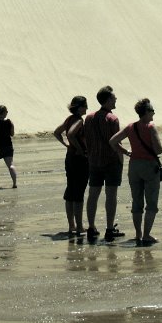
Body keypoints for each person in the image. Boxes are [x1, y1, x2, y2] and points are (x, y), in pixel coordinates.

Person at [110, 98, 162, 246]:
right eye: (152, 110)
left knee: (137, 202)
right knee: (151, 202)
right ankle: (146, 234)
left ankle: (138, 234)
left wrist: (127, 152)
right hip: (149, 166)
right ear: (146, 112)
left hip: (134, 166)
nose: (153, 113)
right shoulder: (150, 127)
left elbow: (113, 141)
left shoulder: (131, 127)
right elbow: (159, 150)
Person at [82, 85, 125, 242]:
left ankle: (91, 227)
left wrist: (91, 152)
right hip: (111, 161)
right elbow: (115, 142)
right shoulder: (112, 119)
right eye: (113, 98)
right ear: (107, 100)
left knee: (93, 194)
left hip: (94, 161)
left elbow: (86, 138)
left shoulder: (89, 117)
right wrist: (123, 157)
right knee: (111, 195)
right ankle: (109, 228)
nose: (115, 100)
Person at [54, 96, 88, 238]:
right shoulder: (79, 120)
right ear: (80, 107)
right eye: (85, 106)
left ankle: (71, 226)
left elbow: (57, 132)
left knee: (70, 190)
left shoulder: (69, 119)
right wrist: (79, 149)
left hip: (69, 157)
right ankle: (79, 227)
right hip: (79, 159)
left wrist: (67, 145)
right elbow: (71, 134)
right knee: (79, 191)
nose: (87, 108)